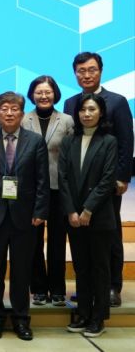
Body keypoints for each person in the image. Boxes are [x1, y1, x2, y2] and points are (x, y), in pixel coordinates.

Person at [0, 92, 49, 341]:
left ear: (22, 113)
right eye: (4, 108)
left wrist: (40, 211)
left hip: (25, 216)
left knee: (21, 271)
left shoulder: (35, 141)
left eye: (14, 109)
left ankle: (21, 319)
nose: (8, 113)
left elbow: (42, 180)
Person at [63, 52, 133, 307]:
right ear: (75, 74)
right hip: (79, 183)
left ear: (101, 71)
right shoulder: (71, 103)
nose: (86, 75)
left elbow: (126, 141)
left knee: (109, 234)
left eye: (91, 69)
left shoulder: (117, 101)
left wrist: (122, 177)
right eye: (81, 71)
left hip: (107, 184)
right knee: (82, 238)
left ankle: (112, 286)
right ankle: (88, 287)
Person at [59, 94, 117, 338]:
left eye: (92, 109)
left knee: (99, 268)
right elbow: (62, 177)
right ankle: (83, 313)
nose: (87, 114)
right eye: (83, 110)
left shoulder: (109, 141)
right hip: (74, 216)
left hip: (98, 216)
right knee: (81, 267)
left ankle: (98, 318)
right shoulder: (69, 141)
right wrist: (72, 210)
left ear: (101, 113)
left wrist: (88, 209)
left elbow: (107, 179)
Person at [22, 75, 74, 306]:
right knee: (33, 241)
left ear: (55, 94)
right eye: (39, 92)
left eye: (48, 92)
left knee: (57, 240)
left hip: (57, 188)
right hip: (30, 189)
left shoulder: (67, 120)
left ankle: (58, 288)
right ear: (32, 94)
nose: (43, 96)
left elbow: (71, 156)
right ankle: (39, 288)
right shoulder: (24, 119)